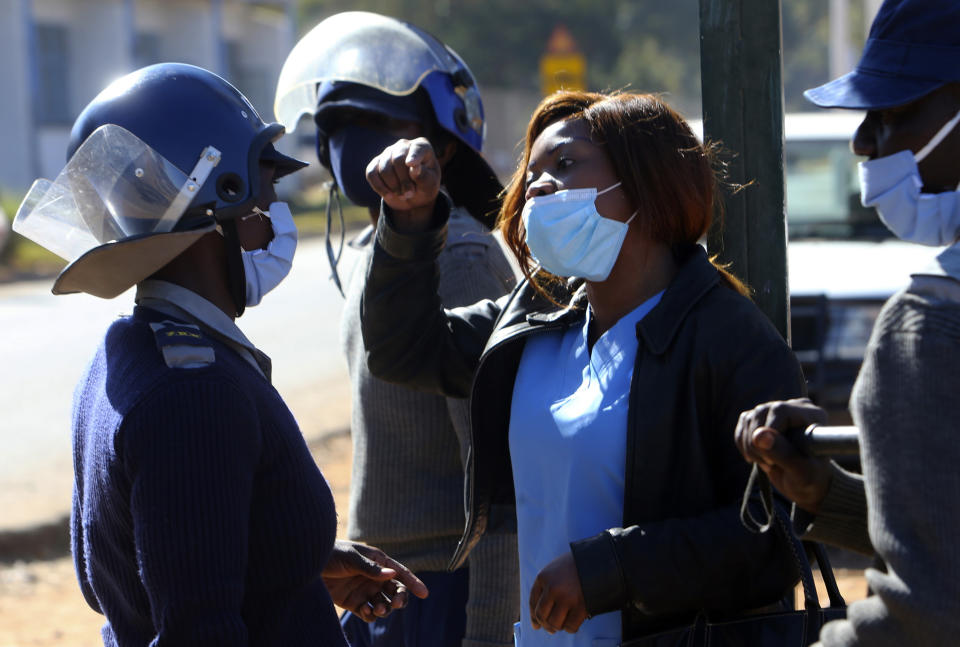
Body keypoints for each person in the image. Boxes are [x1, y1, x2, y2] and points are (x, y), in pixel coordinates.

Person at [357, 90, 808, 645]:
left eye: (565, 165)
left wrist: (614, 569)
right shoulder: (531, 322)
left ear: (646, 183)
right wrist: (408, 224)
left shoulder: (727, 338)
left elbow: (775, 537)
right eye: (534, 174)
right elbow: (401, 350)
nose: (539, 188)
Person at [12, 62, 426, 647]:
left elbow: (160, 562)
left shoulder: (124, 350)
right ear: (221, 197)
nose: (275, 216)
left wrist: (290, 558)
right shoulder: (194, 393)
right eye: (267, 192)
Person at [274, 12, 519, 647]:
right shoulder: (374, 251)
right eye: (340, 126)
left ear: (438, 145)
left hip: (445, 589)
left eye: (386, 125)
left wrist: (491, 631)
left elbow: (495, 470)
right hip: (383, 585)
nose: (358, 142)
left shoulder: (458, 255)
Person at [734, 1, 960, 645]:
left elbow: (932, 619)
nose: (864, 141)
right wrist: (828, 493)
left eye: (894, 112)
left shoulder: (931, 324)